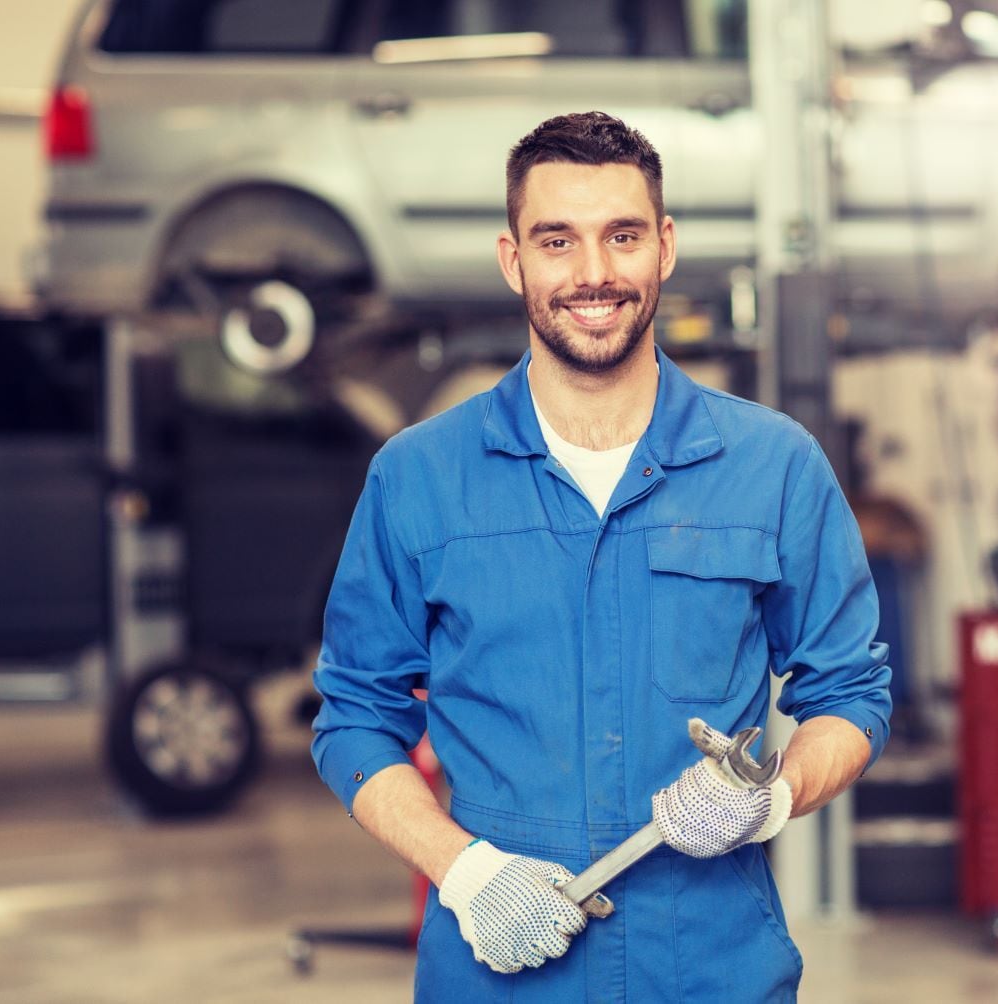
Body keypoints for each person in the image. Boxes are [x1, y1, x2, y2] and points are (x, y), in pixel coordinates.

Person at [312, 111, 891, 1002]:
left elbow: (849, 694)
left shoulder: (772, 465)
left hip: (713, 969)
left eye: (621, 236)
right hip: (498, 973)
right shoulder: (418, 478)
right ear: (513, 260)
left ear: (663, 247)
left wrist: (770, 798)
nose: (592, 274)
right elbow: (355, 714)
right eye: (557, 240)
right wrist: (462, 872)